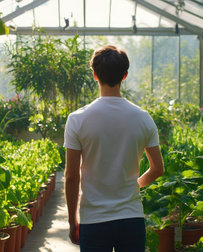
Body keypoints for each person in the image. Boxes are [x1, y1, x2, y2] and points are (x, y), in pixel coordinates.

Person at [63, 45, 164, 252]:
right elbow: (157, 169)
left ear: (94, 75)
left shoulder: (77, 119)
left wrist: (73, 220)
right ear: (125, 75)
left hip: (94, 219)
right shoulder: (143, 118)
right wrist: (134, 185)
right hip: (131, 218)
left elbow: (72, 176)